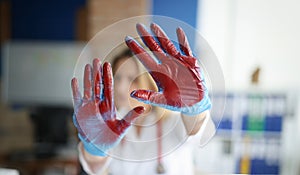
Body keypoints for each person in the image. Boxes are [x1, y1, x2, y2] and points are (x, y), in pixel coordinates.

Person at [71, 23, 215, 175]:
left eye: (132, 79)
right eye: (117, 78)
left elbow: (197, 129)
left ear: (151, 82)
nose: (120, 88)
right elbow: (94, 167)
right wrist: (95, 149)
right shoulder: (109, 123)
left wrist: (195, 107)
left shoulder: (173, 122)